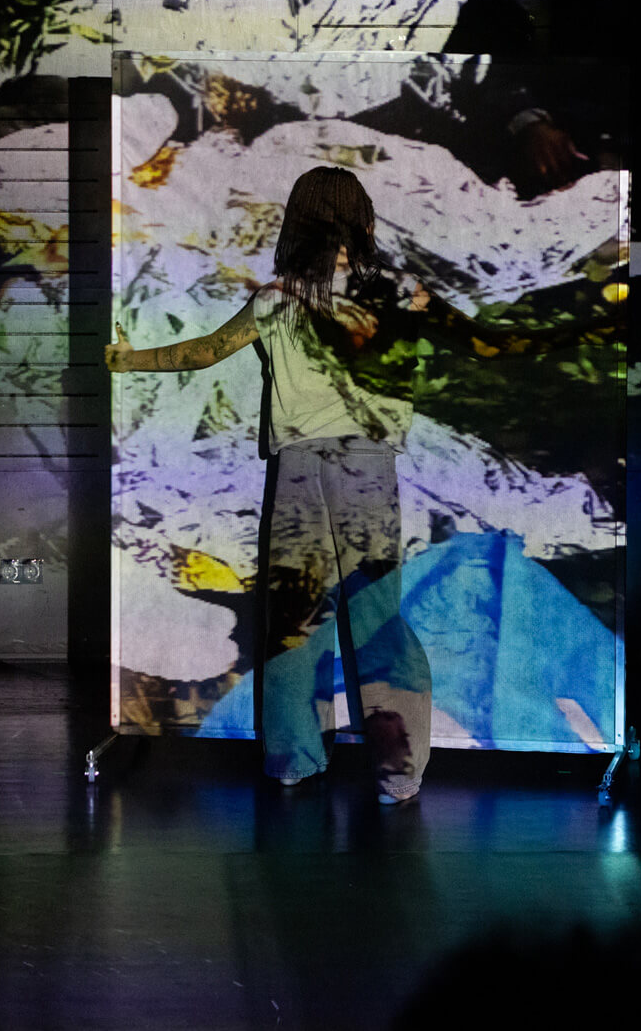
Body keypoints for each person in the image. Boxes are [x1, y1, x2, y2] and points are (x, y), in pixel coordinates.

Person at [107, 167, 432, 805]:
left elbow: (203, 352)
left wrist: (127, 359)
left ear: (298, 225)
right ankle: (397, 773)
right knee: (375, 617)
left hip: (299, 468)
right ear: (365, 222)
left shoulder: (275, 299)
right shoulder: (401, 294)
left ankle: (292, 759)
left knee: (295, 617)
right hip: (366, 468)